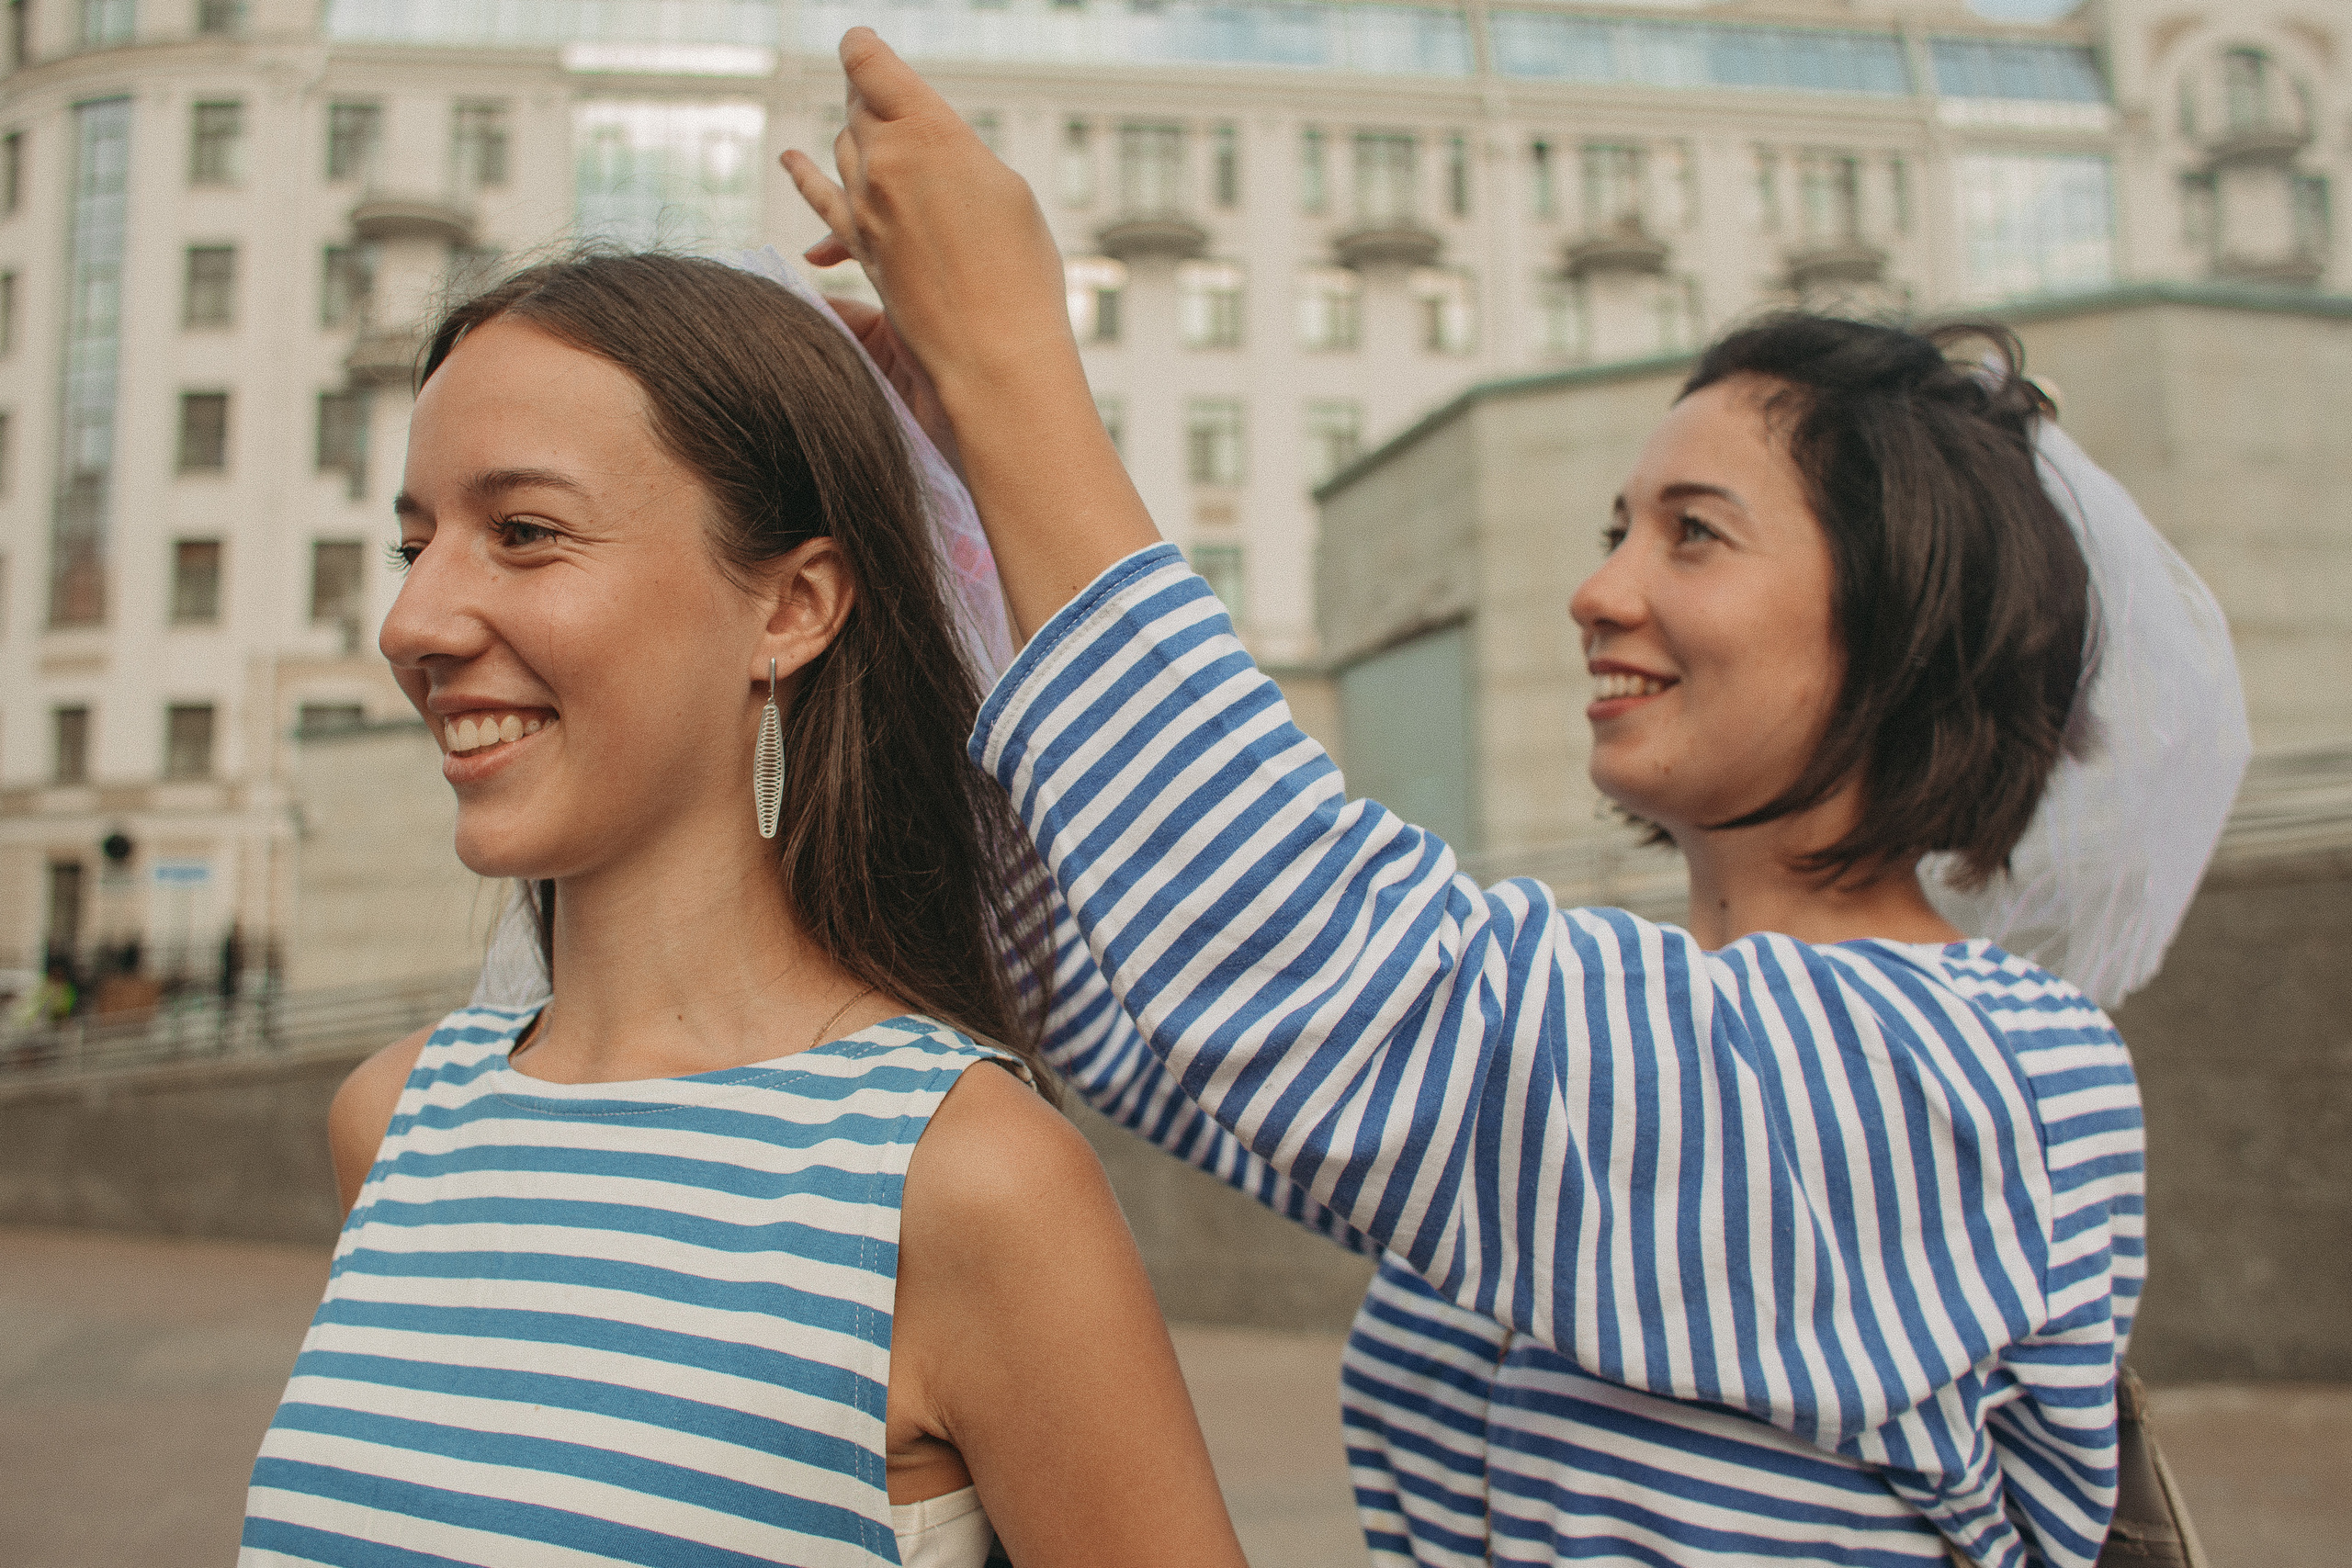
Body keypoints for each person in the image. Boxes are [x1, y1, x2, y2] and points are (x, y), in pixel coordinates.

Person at [779, 31, 2248, 1568]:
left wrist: (1018, 366)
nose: (1597, 591)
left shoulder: (1990, 1078)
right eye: (1620, 527)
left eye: (1694, 536)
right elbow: (1128, 1013)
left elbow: (1319, 983)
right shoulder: (1631, 1024)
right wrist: (956, 488)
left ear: (1900, 615)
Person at [237, 250, 1252, 1568]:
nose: (413, 620)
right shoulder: (393, 1121)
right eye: (413, 543)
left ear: (791, 606)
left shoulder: (961, 1180)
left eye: (525, 533)